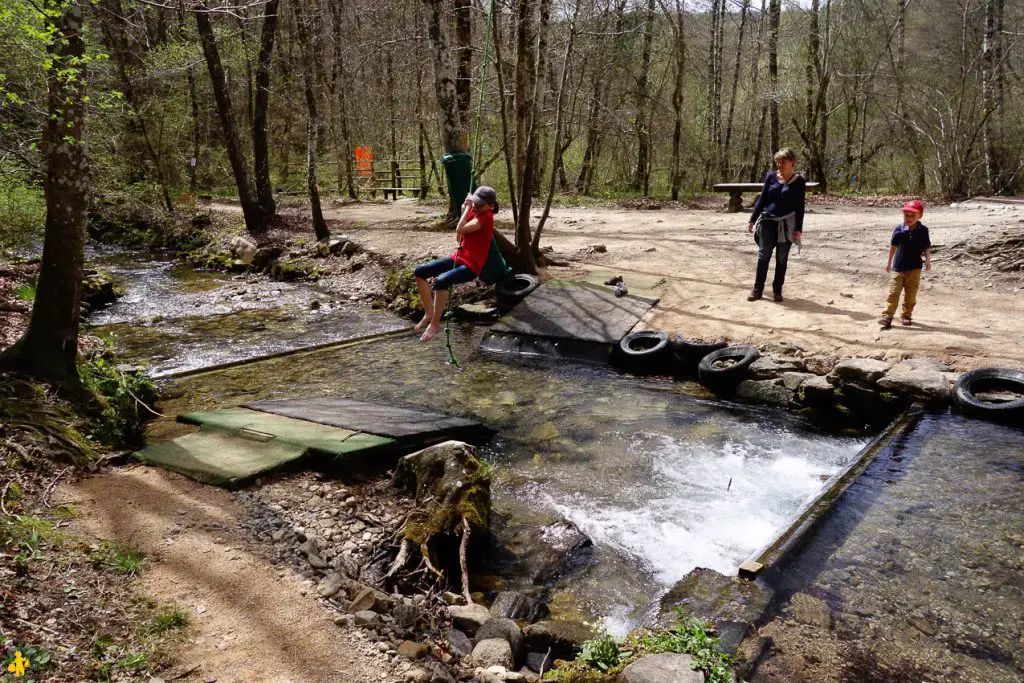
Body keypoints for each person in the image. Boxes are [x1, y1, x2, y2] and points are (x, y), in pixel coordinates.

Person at [414, 186, 498, 342]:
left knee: (441, 281)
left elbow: (459, 226)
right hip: (458, 258)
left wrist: (466, 210)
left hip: (471, 267)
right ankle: (429, 313)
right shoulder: (476, 212)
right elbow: (458, 237)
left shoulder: (485, 218)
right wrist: (465, 209)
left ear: (490, 205)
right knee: (420, 271)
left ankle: (435, 323)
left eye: (480, 205)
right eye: (476, 203)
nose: (477, 207)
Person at [746, 148, 806, 302]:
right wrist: (752, 219)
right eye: (777, 162)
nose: (779, 165)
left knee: (781, 258)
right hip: (768, 222)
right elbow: (763, 199)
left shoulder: (799, 182)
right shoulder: (771, 177)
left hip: (787, 225)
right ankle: (757, 290)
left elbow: (800, 207)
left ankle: (777, 290)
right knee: (763, 255)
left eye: (783, 162)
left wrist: (798, 229)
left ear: (792, 161)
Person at [880, 199, 930, 329]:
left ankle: (907, 315)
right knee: (893, 292)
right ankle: (887, 316)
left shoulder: (923, 230)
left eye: (912, 215)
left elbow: (927, 247)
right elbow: (893, 247)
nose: (909, 218)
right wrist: (889, 263)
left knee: (911, 295)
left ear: (920, 215)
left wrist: (928, 261)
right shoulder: (898, 230)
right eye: (906, 215)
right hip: (898, 267)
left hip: (915, 268)